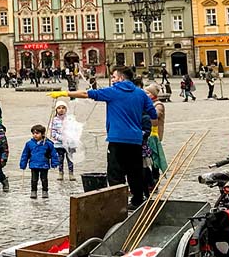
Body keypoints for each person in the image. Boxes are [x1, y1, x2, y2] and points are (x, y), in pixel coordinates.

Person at [64, 68, 159, 210]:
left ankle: (118, 203)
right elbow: (153, 114)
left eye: (114, 76)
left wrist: (66, 93)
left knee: (115, 173)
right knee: (135, 172)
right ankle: (137, 201)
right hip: (135, 139)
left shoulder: (112, 91)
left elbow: (86, 93)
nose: (112, 79)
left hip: (117, 139)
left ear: (121, 78)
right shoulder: (141, 93)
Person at [19, 124, 57, 199]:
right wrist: (23, 164)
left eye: (37, 133)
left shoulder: (48, 144)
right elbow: (25, 154)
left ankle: (45, 191)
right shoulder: (29, 144)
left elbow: (53, 154)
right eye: (33, 133)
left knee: (44, 179)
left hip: (44, 164)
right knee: (34, 180)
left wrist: (54, 162)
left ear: (42, 134)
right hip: (34, 165)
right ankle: (33, 191)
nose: (35, 135)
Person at [143, 83, 168, 190]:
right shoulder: (146, 103)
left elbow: (156, 114)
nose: (145, 95)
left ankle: (155, 178)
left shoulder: (158, 104)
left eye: (147, 93)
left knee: (154, 157)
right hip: (147, 134)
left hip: (155, 135)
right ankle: (149, 180)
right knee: (148, 157)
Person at [49, 102, 75, 181]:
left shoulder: (70, 119)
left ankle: (71, 173)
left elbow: (73, 130)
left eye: (63, 108)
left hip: (70, 144)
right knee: (60, 159)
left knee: (70, 159)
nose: (61, 110)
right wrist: (61, 138)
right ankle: (60, 172)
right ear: (56, 110)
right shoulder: (54, 120)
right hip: (59, 144)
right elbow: (53, 133)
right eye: (59, 108)